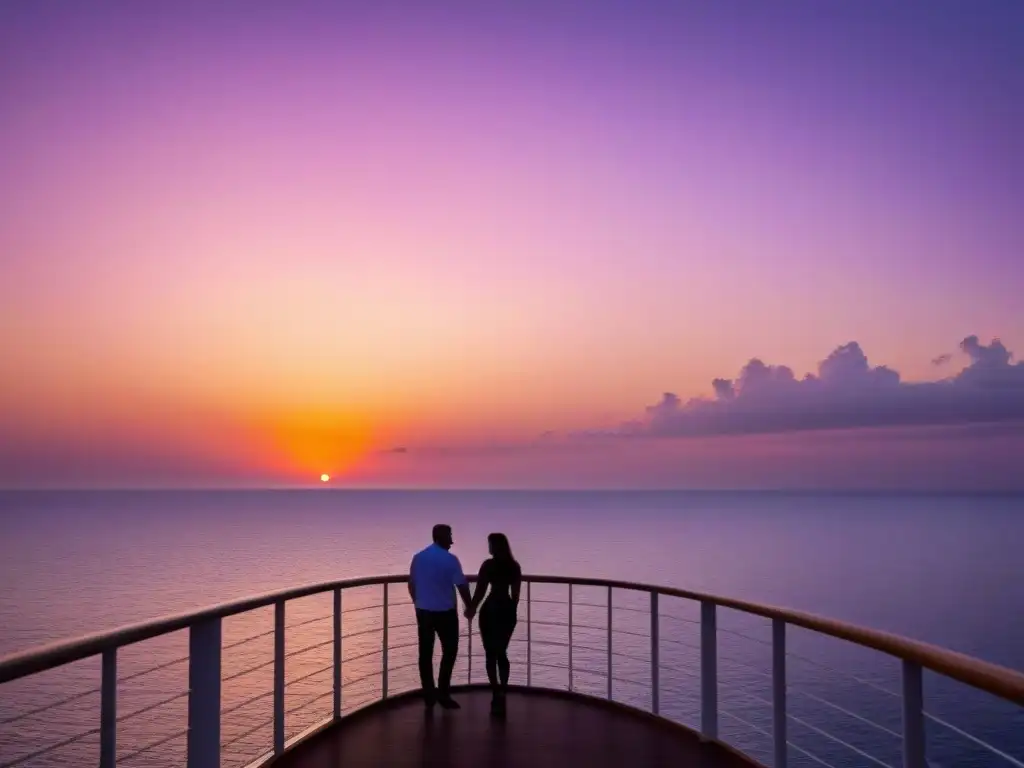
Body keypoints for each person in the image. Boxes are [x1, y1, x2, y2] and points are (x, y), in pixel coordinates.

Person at [409, 524, 473, 709]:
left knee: (425, 654)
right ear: (441, 537)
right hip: (445, 613)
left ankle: (429, 694)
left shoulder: (418, 558)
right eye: (449, 536)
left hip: (424, 612)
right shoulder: (451, 560)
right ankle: (444, 694)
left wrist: (417, 603)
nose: (452, 541)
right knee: (450, 651)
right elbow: (461, 586)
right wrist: (469, 606)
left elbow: (411, 584)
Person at [467, 532, 521, 716]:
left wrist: (472, 608)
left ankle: (496, 689)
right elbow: (516, 596)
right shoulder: (514, 566)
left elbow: (481, 591)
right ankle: (503, 689)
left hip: (489, 612)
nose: (488, 547)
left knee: (490, 653)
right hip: (506, 611)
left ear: (495, 546)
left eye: (490, 544)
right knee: (502, 652)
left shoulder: (488, 565)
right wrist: (512, 613)